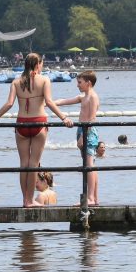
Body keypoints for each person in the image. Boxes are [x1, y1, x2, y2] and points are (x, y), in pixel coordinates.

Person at [0, 52, 73, 208]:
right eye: (42, 63)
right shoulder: (44, 80)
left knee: (23, 163)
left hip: (21, 124)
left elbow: (9, 104)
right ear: (38, 64)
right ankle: (30, 200)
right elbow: (50, 102)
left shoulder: (16, 82)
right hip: (39, 122)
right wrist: (64, 118)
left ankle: (25, 200)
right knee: (33, 164)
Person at [55, 70, 100, 205]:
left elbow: (91, 118)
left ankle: (91, 198)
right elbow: (64, 101)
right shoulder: (83, 96)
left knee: (89, 165)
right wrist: (48, 103)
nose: (78, 85)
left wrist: (83, 136)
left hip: (88, 130)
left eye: (80, 82)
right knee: (89, 165)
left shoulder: (92, 96)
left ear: (88, 83)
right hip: (82, 129)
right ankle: (94, 197)